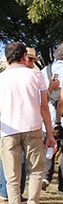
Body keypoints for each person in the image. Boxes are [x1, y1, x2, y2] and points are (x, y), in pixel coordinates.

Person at [0, 42, 56, 204]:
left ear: (7, 57)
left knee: (12, 175)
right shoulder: (36, 75)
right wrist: (50, 134)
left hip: (9, 129)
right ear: (24, 56)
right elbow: (44, 106)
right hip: (33, 126)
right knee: (36, 170)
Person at [41, 43, 63, 191]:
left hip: (47, 116)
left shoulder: (44, 71)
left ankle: (45, 177)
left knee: (48, 147)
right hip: (61, 116)